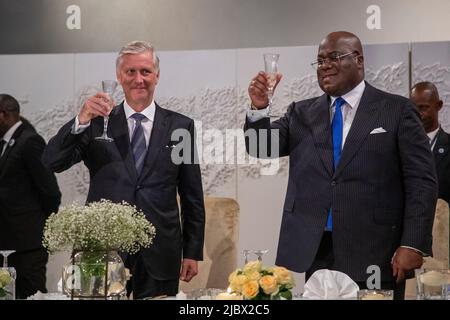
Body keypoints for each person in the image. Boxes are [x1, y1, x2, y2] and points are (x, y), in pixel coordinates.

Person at [244, 31, 437, 299]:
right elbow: (260, 147)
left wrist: (412, 244)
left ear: (358, 60)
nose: (325, 65)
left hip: (376, 249)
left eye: (334, 57)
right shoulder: (301, 113)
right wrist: (259, 109)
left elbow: (421, 181)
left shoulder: (397, 110)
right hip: (316, 247)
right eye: (320, 60)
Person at [42, 41, 205, 299]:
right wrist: (80, 119)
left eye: (145, 71)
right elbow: (51, 161)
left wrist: (193, 251)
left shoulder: (180, 127)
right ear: (119, 77)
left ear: (157, 76)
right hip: (100, 250)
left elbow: (191, 194)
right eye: (130, 72)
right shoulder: (96, 124)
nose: (138, 79)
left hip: (160, 250)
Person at [0, 94, 61, 299]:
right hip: (7, 241)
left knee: (30, 293)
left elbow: (50, 191)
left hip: (27, 244)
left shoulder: (30, 141)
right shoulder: (5, 143)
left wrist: (39, 227)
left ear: (4, 115)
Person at [411, 81, 450, 203]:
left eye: (423, 108)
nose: (418, 114)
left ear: (438, 106)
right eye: (414, 109)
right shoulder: (400, 145)